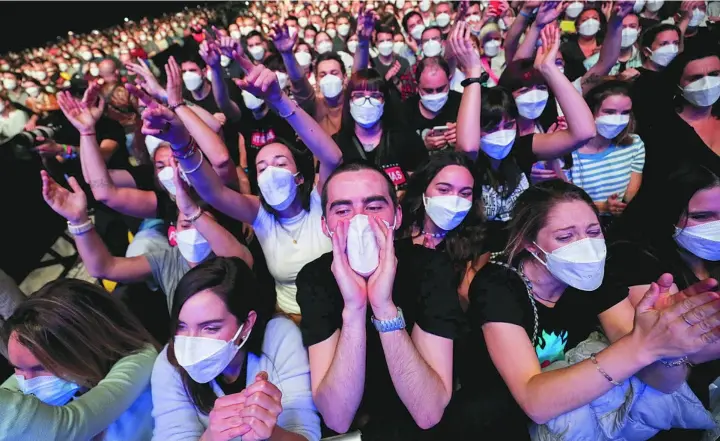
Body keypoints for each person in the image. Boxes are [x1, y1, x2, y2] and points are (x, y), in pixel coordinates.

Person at [454, 179, 720, 440]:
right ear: (529, 244)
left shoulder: (594, 276)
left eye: (593, 232)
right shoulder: (498, 284)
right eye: (566, 236)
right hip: (500, 415)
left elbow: (664, 383)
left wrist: (667, 346)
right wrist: (643, 345)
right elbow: (535, 403)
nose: (586, 246)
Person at [296, 161, 463, 439]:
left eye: (374, 207)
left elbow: (428, 412)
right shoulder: (315, 278)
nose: (359, 220)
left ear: (397, 216)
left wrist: (383, 307)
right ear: (326, 226)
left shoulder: (430, 268)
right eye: (342, 210)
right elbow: (337, 417)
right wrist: (355, 307)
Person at [165, 55, 342, 319]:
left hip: (341, 309)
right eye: (262, 168)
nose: (271, 172)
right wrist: (181, 140)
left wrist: (277, 98)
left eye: (280, 163)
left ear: (300, 176)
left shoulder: (320, 198)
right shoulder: (260, 215)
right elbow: (214, 192)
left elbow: (332, 157)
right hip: (291, 318)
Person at [455, 22, 596, 249]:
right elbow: (468, 147)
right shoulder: (467, 161)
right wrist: (472, 74)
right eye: (490, 127)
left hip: (522, 253)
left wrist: (549, 69)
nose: (501, 135)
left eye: (508, 125)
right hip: (474, 257)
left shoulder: (521, 148)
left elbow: (584, 132)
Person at [607, 163, 720, 441]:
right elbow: (663, 349)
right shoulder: (636, 260)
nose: (716, 227)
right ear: (667, 215)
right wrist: (686, 350)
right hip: (671, 410)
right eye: (702, 216)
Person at [151, 257, 320, 441]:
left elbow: (307, 434)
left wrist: (272, 433)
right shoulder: (169, 363)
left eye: (210, 328)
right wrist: (210, 438)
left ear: (247, 324)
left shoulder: (280, 337)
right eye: (182, 326)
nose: (190, 343)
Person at [2, 279, 159, 440]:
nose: (26, 383)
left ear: (89, 348)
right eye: (18, 368)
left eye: (41, 368)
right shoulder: (74, 386)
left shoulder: (147, 403)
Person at [397, 151, 486, 306]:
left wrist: (436, 269)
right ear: (423, 189)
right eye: (444, 190)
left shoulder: (477, 243)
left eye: (465, 193)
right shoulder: (396, 232)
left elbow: (467, 305)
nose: (454, 200)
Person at [637, 45, 720, 194]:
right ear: (678, 85)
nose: (707, 83)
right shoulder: (661, 129)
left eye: (714, 74)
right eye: (695, 78)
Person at [333, 68, 427, 193]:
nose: (367, 102)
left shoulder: (407, 139)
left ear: (384, 101)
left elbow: (420, 187)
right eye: (359, 96)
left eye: (375, 96)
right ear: (349, 101)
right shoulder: (335, 144)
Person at [567, 80, 645, 223]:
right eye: (609, 112)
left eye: (625, 112)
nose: (618, 119)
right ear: (589, 111)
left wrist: (620, 207)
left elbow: (631, 193)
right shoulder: (568, 152)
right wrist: (603, 207)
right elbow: (566, 199)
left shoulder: (635, 144)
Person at [405, 57, 460, 153]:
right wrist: (423, 146)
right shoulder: (404, 111)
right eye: (428, 91)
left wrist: (463, 136)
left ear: (449, 80)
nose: (435, 95)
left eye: (440, 89)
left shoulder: (462, 104)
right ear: (417, 86)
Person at [371, 25, 417, 100]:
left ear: (393, 42)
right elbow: (372, 94)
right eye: (381, 41)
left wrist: (395, 79)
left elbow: (408, 93)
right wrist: (386, 78)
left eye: (388, 40)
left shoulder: (403, 62)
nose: (385, 44)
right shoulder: (371, 64)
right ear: (376, 44)